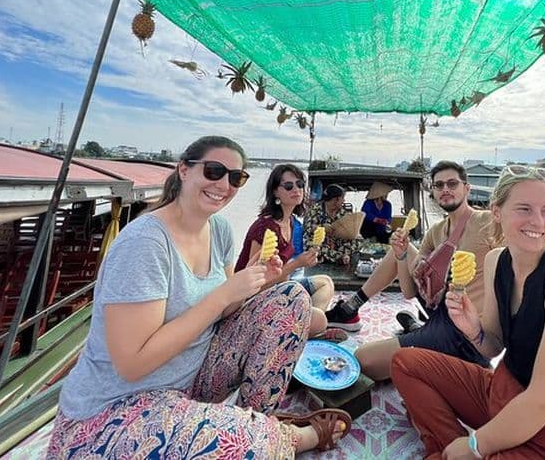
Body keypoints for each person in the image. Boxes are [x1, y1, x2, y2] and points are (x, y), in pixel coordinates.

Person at [47, 137, 350, 458]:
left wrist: (254, 277)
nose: (224, 184)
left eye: (236, 177)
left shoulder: (218, 229)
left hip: (194, 378)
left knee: (292, 299)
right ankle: (286, 436)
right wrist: (221, 296)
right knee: (239, 446)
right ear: (184, 170)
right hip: (120, 403)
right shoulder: (144, 244)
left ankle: (258, 420)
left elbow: (226, 308)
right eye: (214, 171)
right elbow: (131, 365)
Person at [391, 165, 545, 459]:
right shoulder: (497, 261)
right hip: (504, 393)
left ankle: (462, 450)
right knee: (405, 363)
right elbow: (493, 344)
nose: (538, 221)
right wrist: (472, 328)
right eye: (524, 208)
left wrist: (475, 445)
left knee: (479, 448)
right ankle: (449, 448)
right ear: (497, 211)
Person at [326, 161, 495, 380]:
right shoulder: (435, 232)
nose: (445, 189)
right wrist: (401, 254)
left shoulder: (488, 222)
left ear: (467, 188)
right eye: (439, 185)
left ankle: (424, 341)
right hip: (437, 311)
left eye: (452, 184)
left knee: (363, 361)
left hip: (464, 333)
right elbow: (409, 292)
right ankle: (352, 308)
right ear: (432, 191)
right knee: (398, 248)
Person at [236, 164, 336, 338]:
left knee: (326, 282)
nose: (296, 189)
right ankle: (304, 328)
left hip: (281, 287)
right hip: (253, 301)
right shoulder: (265, 228)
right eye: (288, 186)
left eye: (299, 184)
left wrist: (309, 257)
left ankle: (302, 326)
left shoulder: (290, 221)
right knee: (319, 319)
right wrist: (297, 264)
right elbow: (256, 286)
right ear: (275, 192)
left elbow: (283, 275)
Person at [303, 183, 361, 265]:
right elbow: (308, 228)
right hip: (322, 244)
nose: (344, 201)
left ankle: (341, 255)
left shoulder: (343, 212)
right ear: (336, 199)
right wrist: (323, 228)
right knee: (315, 247)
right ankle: (340, 257)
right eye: (342, 198)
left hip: (338, 243)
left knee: (358, 240)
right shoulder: (315, 210)